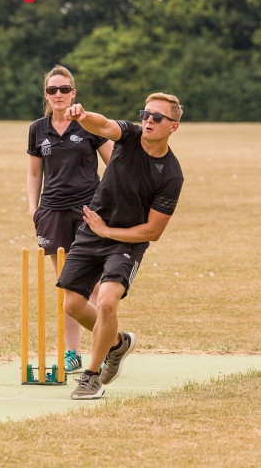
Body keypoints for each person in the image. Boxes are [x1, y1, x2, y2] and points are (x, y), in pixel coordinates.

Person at [56, 92, 184, 399]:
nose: (148, 121)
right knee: (72, 305)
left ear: (173, 126)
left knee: (107, 301)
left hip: (128, 240)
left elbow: (153, 231)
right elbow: (103, 125)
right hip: (93, 231)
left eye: (157, 117)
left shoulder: (171, 174)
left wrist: (109, 231)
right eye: (145, 114)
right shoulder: (130, 135)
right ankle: (116, 344)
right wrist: (83, 116)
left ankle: (91, 377)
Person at [27, 65, 113, 373]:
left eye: (65, 89)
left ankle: (105, 350)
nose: (59, 95)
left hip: (88, 211)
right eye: (53, 90)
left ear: (73, 93)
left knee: (94, 287)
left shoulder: (87, 124)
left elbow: (113, 163)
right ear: (46, 95)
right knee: (67, 287)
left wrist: (109, 205)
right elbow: (35, 171)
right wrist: (33, 208)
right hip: (52, 211)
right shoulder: (38, 129)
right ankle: (72, 354)